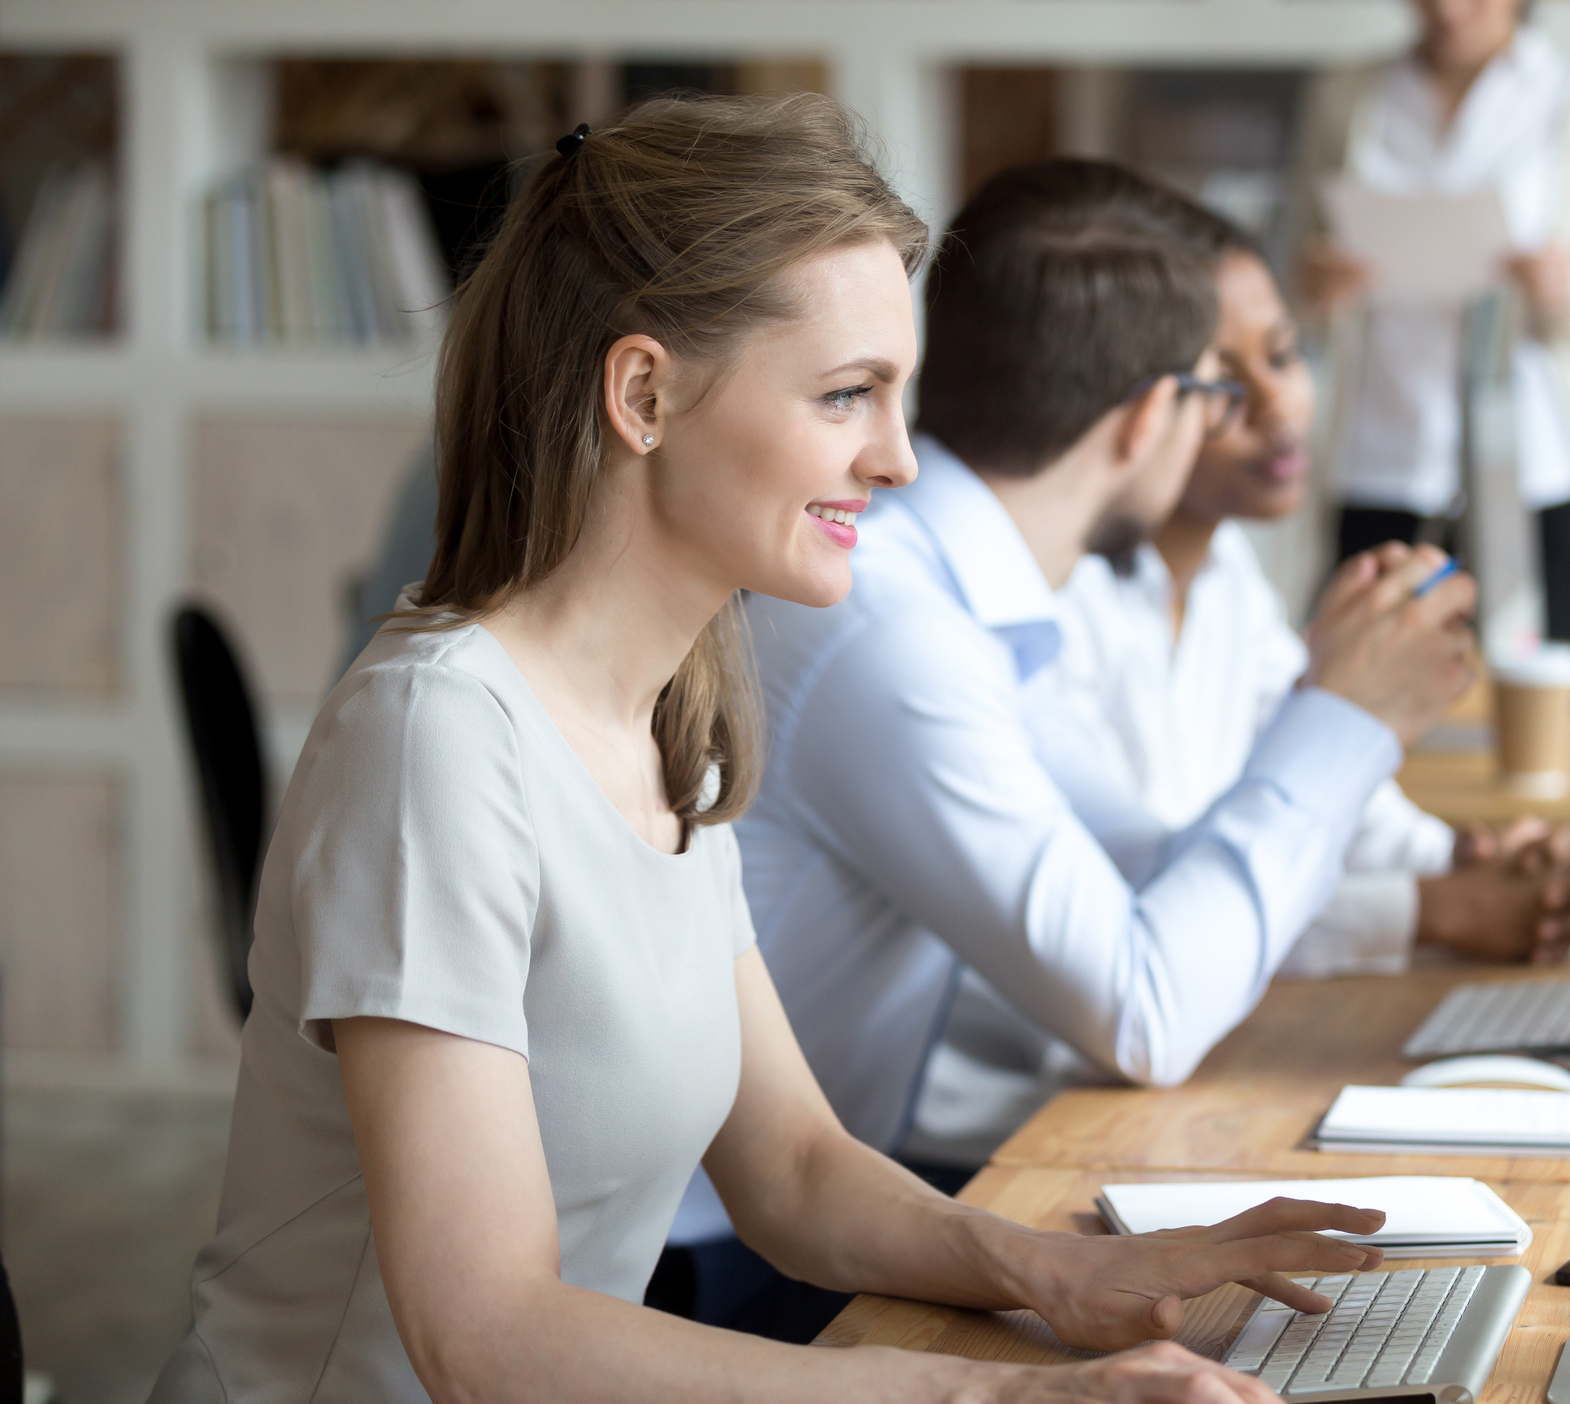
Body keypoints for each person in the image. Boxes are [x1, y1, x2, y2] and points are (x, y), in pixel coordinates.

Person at [149, 96, 1394, 1404]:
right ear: (642, 394)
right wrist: (1005, 1393)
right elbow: (488, 1334)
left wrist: (1057, 1272)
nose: (901, 460)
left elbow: (791, 1163)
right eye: (846, 395)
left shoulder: (674, 712)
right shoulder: (438, 742)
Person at [690, 159, 1476, 1311]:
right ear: (1156, 413)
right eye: (1216, 387)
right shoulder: (892, 633)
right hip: (726, 1261)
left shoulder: (963, 597)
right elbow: (1145, 1012)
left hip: (832, 1212)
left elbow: (1138, 861)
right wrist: (1343, 721)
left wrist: (1340, 734)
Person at [1036, 210, 1570, 981]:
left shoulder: (1226, 576)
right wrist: (1440, 908)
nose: (1277, 407)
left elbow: (1332, 788)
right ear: (1141, 405)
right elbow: (1162, 910)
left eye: (1282, 356)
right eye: (1224, 383)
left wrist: (1472, 859)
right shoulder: (1054, 610)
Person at [1295, 0, 1570, 644]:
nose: (1447, 3)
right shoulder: (1347, 96)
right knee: (1362, 687)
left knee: (1534, 698)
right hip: (1379, 458)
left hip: (1529, 464)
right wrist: (1316, 288)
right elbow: (1297, 300)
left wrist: (1560, 290)